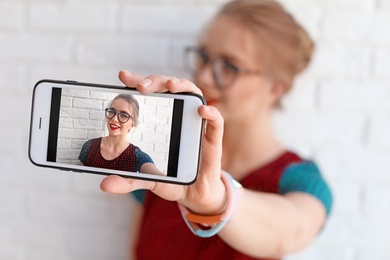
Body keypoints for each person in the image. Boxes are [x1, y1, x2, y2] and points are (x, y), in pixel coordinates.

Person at [100, 0, 333, 259]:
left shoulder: (299, 180)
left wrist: (216, 200)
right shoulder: (160, 165)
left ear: (275, 88)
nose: (205, 77)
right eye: (204, 57)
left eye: (229, 66)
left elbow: (290, 231)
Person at [79, 94, 162, 175]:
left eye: (123, 115)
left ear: (133, 123)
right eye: (112, 111)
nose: (114, 119)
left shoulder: (137, 156)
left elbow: (161, 180)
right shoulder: (89, 146)